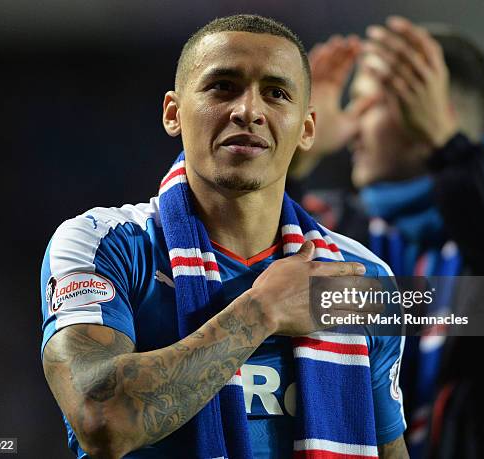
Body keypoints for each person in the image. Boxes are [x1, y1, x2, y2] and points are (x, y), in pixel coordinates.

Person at [41, 14, 409, 459]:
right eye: (223, 86)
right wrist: (263, 310)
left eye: (276, 93)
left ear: (307, 128)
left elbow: (389, 449)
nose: (248, 111)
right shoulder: (108, 246)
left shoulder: (365, 279)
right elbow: (101, 421)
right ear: (173, 113)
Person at [290, 16, 484, 459]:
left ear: (432, 110)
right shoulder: (338, 226)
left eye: (366, 103)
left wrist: (448, 146)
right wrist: (295, 157)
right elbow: (253, 283)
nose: (349, 125)